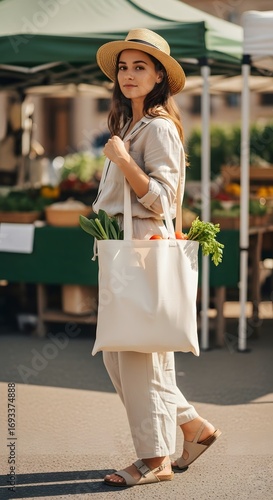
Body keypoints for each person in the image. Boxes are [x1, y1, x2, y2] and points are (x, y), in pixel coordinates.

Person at [93, 28, 221, 487]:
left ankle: (154, 459)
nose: (128, 75)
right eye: (123, 67)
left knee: (136, 357)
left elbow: (165, 201)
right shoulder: (131, 126)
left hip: (141, 255)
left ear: (159, 76)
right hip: (126, 255)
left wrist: (124, 161)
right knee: (123, 356)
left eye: (139, 67)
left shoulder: (159, 128)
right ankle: (193, 428)